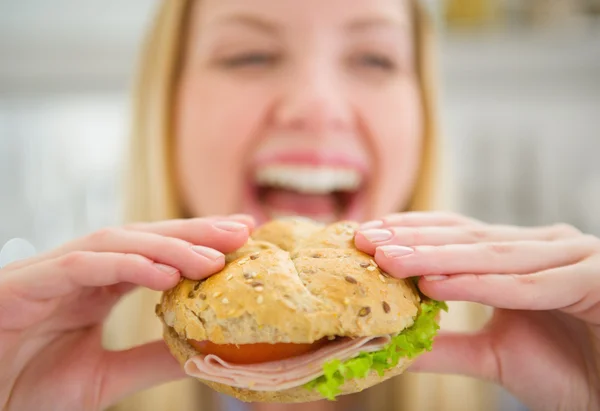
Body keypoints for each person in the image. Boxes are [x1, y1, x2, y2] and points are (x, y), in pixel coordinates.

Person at [1, 0, 598, 410]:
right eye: (248, 55)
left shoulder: (544, 387)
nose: (317, 105)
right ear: (169, 108)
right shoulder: (34, 380)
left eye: (374, 59)